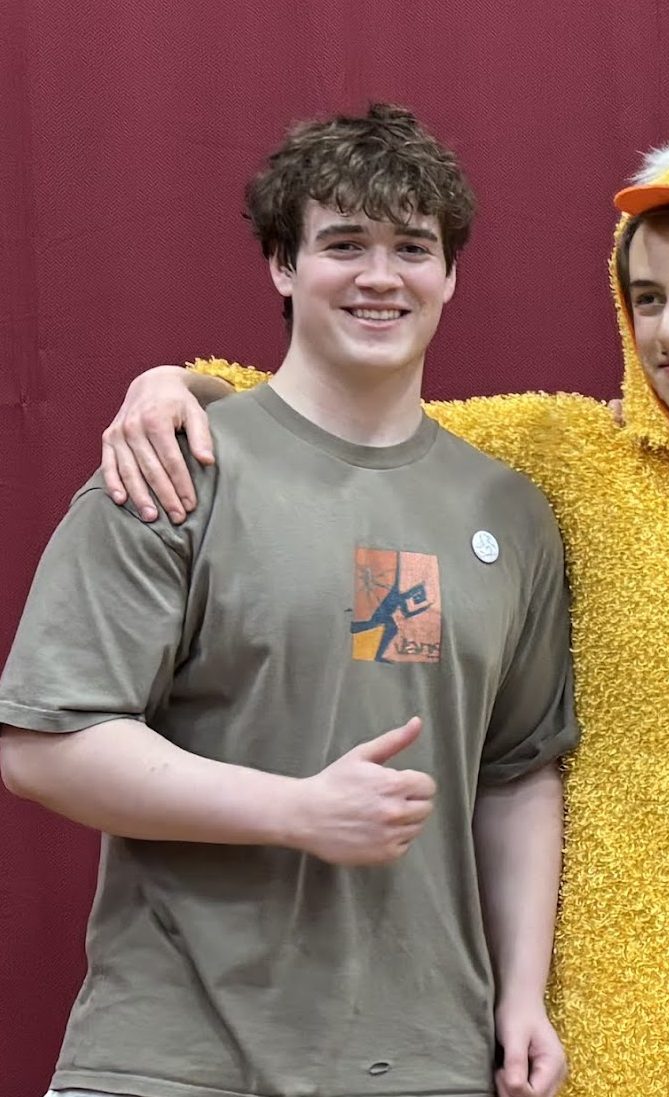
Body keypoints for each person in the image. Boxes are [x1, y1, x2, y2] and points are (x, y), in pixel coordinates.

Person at [0, 104, 577, 1097]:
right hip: (172, 1057)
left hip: (422, 1059)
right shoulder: (175, 464)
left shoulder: (509, 512)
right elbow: (46, 742)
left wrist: (520, 996)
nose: (380, 276)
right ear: (281, 264)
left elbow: (517, 772)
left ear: (449, 273)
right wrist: (297, 810)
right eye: (343, 244)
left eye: (412, 247)